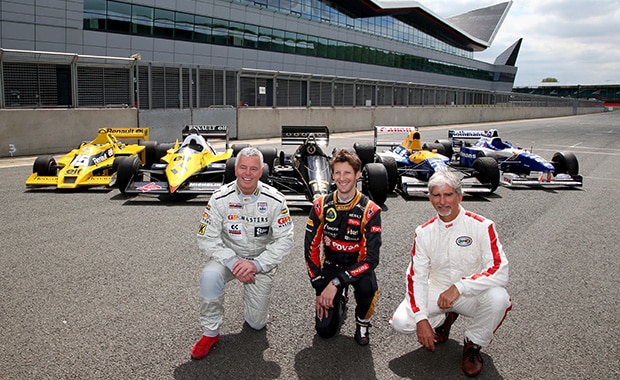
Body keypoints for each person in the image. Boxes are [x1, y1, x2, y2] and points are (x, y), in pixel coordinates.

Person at [391, 170, 511, 377]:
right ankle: (444, 320)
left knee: (499, 298)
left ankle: (472, 344)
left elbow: (500, 270)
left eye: (448, 195)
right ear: (430, 198)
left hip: (471, 293)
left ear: (459, 196)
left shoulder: (482, 226)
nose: (442, 201)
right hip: (438, 291)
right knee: (402, 323)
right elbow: (415, 277)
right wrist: (421, 320)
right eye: (436, 195)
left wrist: (460, 287)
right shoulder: (423, 232)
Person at [191, 146, 294, 360]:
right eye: (243, 168)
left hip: (260, 263)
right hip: (228, 258)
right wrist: (233, 261)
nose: (248, 173)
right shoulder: (220, 198)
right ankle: (210, 333)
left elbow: (285, 239)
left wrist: (256, 265)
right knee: (209, 276)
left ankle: (254, 304)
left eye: (253, 169)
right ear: (236, 168)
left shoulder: (275, 200)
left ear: (261, 170)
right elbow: (206, 237)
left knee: (256, 324)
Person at [304, 149, 382, 345]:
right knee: (324, 330)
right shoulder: (321, 205)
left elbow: (371, 259)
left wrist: (338, 282)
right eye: (337, 173)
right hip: (331, 265)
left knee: (367, 288)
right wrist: (320, 286)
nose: (342, 178)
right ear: (332, 175)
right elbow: (310, 249)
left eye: (347, 172)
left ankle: (362, 323)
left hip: (358, 267)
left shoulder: (371, 210)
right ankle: (340, 297)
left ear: (357, 174)